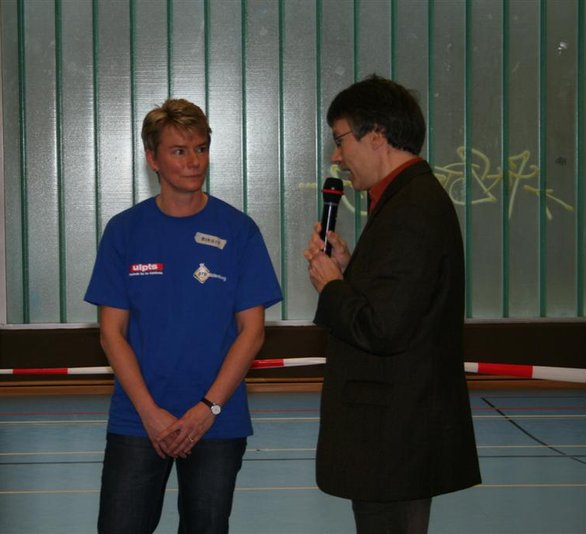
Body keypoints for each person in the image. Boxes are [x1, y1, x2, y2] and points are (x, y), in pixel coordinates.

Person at [84, 98, 282, 534]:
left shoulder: (239, 230)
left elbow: (251, 332)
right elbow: (111, 334)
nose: (194, 162)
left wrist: (208, 408)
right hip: (138, 420)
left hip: (216, 422)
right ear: (152, 159)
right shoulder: (124, 231)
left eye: (201, 149)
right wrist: (150, 413)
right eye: (179, 151)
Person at [304, 75, 481, 533]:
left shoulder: (412, 209)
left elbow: (383, 327)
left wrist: (332, 286)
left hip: (394, 436)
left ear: (377, 135)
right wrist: (348, 270)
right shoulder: (406, 201)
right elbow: (399, 298)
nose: (336, 157)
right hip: (394, 435)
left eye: (340, 140)